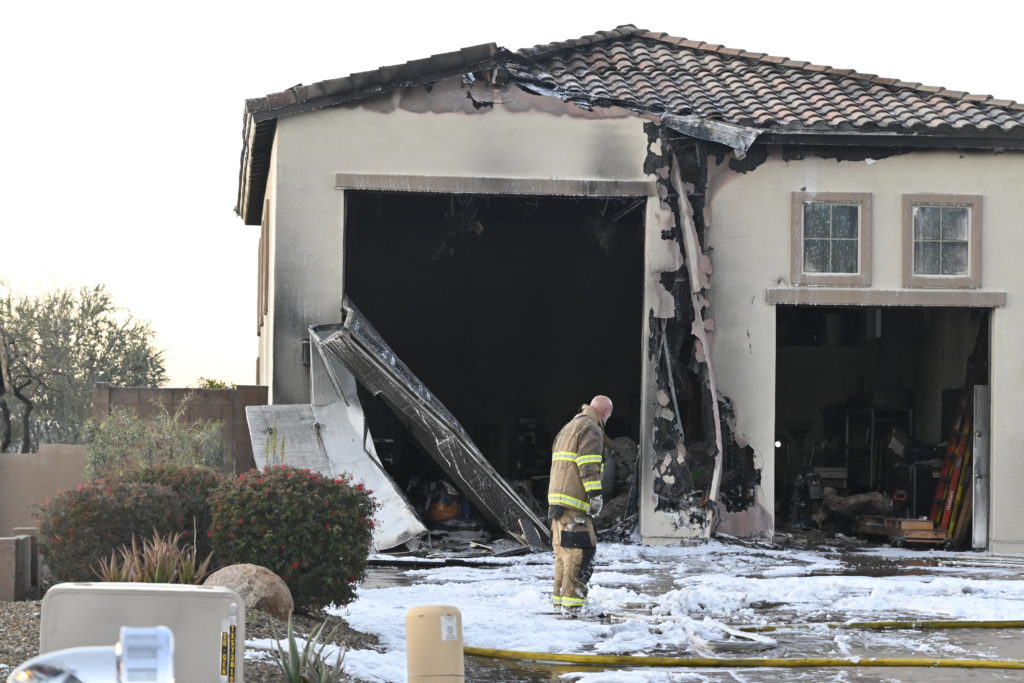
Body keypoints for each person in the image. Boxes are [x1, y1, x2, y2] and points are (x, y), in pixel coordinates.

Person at [547, 395, 612, 618]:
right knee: (581, 553)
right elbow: (588, 465)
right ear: (605, 414)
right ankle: (573, 606)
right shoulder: (591, 429)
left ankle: (560, 603)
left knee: (563, 555)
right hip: (574, 504)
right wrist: (595, 496)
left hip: (557, 502)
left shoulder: (568, 427)